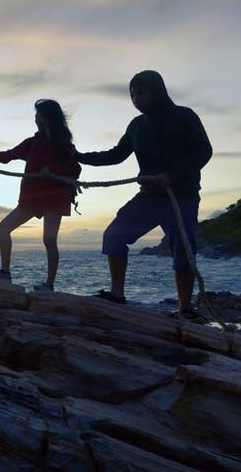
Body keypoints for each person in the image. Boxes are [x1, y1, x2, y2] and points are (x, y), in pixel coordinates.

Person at [76, 70, 213, 314]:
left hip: (181, 197)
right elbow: (116, 155)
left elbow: (203, 151)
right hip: (148, 197)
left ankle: (184, 308)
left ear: (156, 91)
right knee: (114, 236)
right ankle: (117, 295)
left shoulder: (184, 116)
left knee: (184, 249)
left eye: (141, 93)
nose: (136, 99)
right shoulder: (136, 126)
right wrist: (78, 157)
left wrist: (171, 175)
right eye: (132, 95)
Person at [0, 99, 81, 291]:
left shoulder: (64, 144)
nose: (35, 119)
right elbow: (6, 156)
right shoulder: (32, 143)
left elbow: (75, 169)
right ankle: (5, 273)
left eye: (38, 115)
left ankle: (49, 284)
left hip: (55, 196)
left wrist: (52, 169)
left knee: (49, 239)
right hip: (32, 197)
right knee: (4, 228)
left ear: (46, 118)